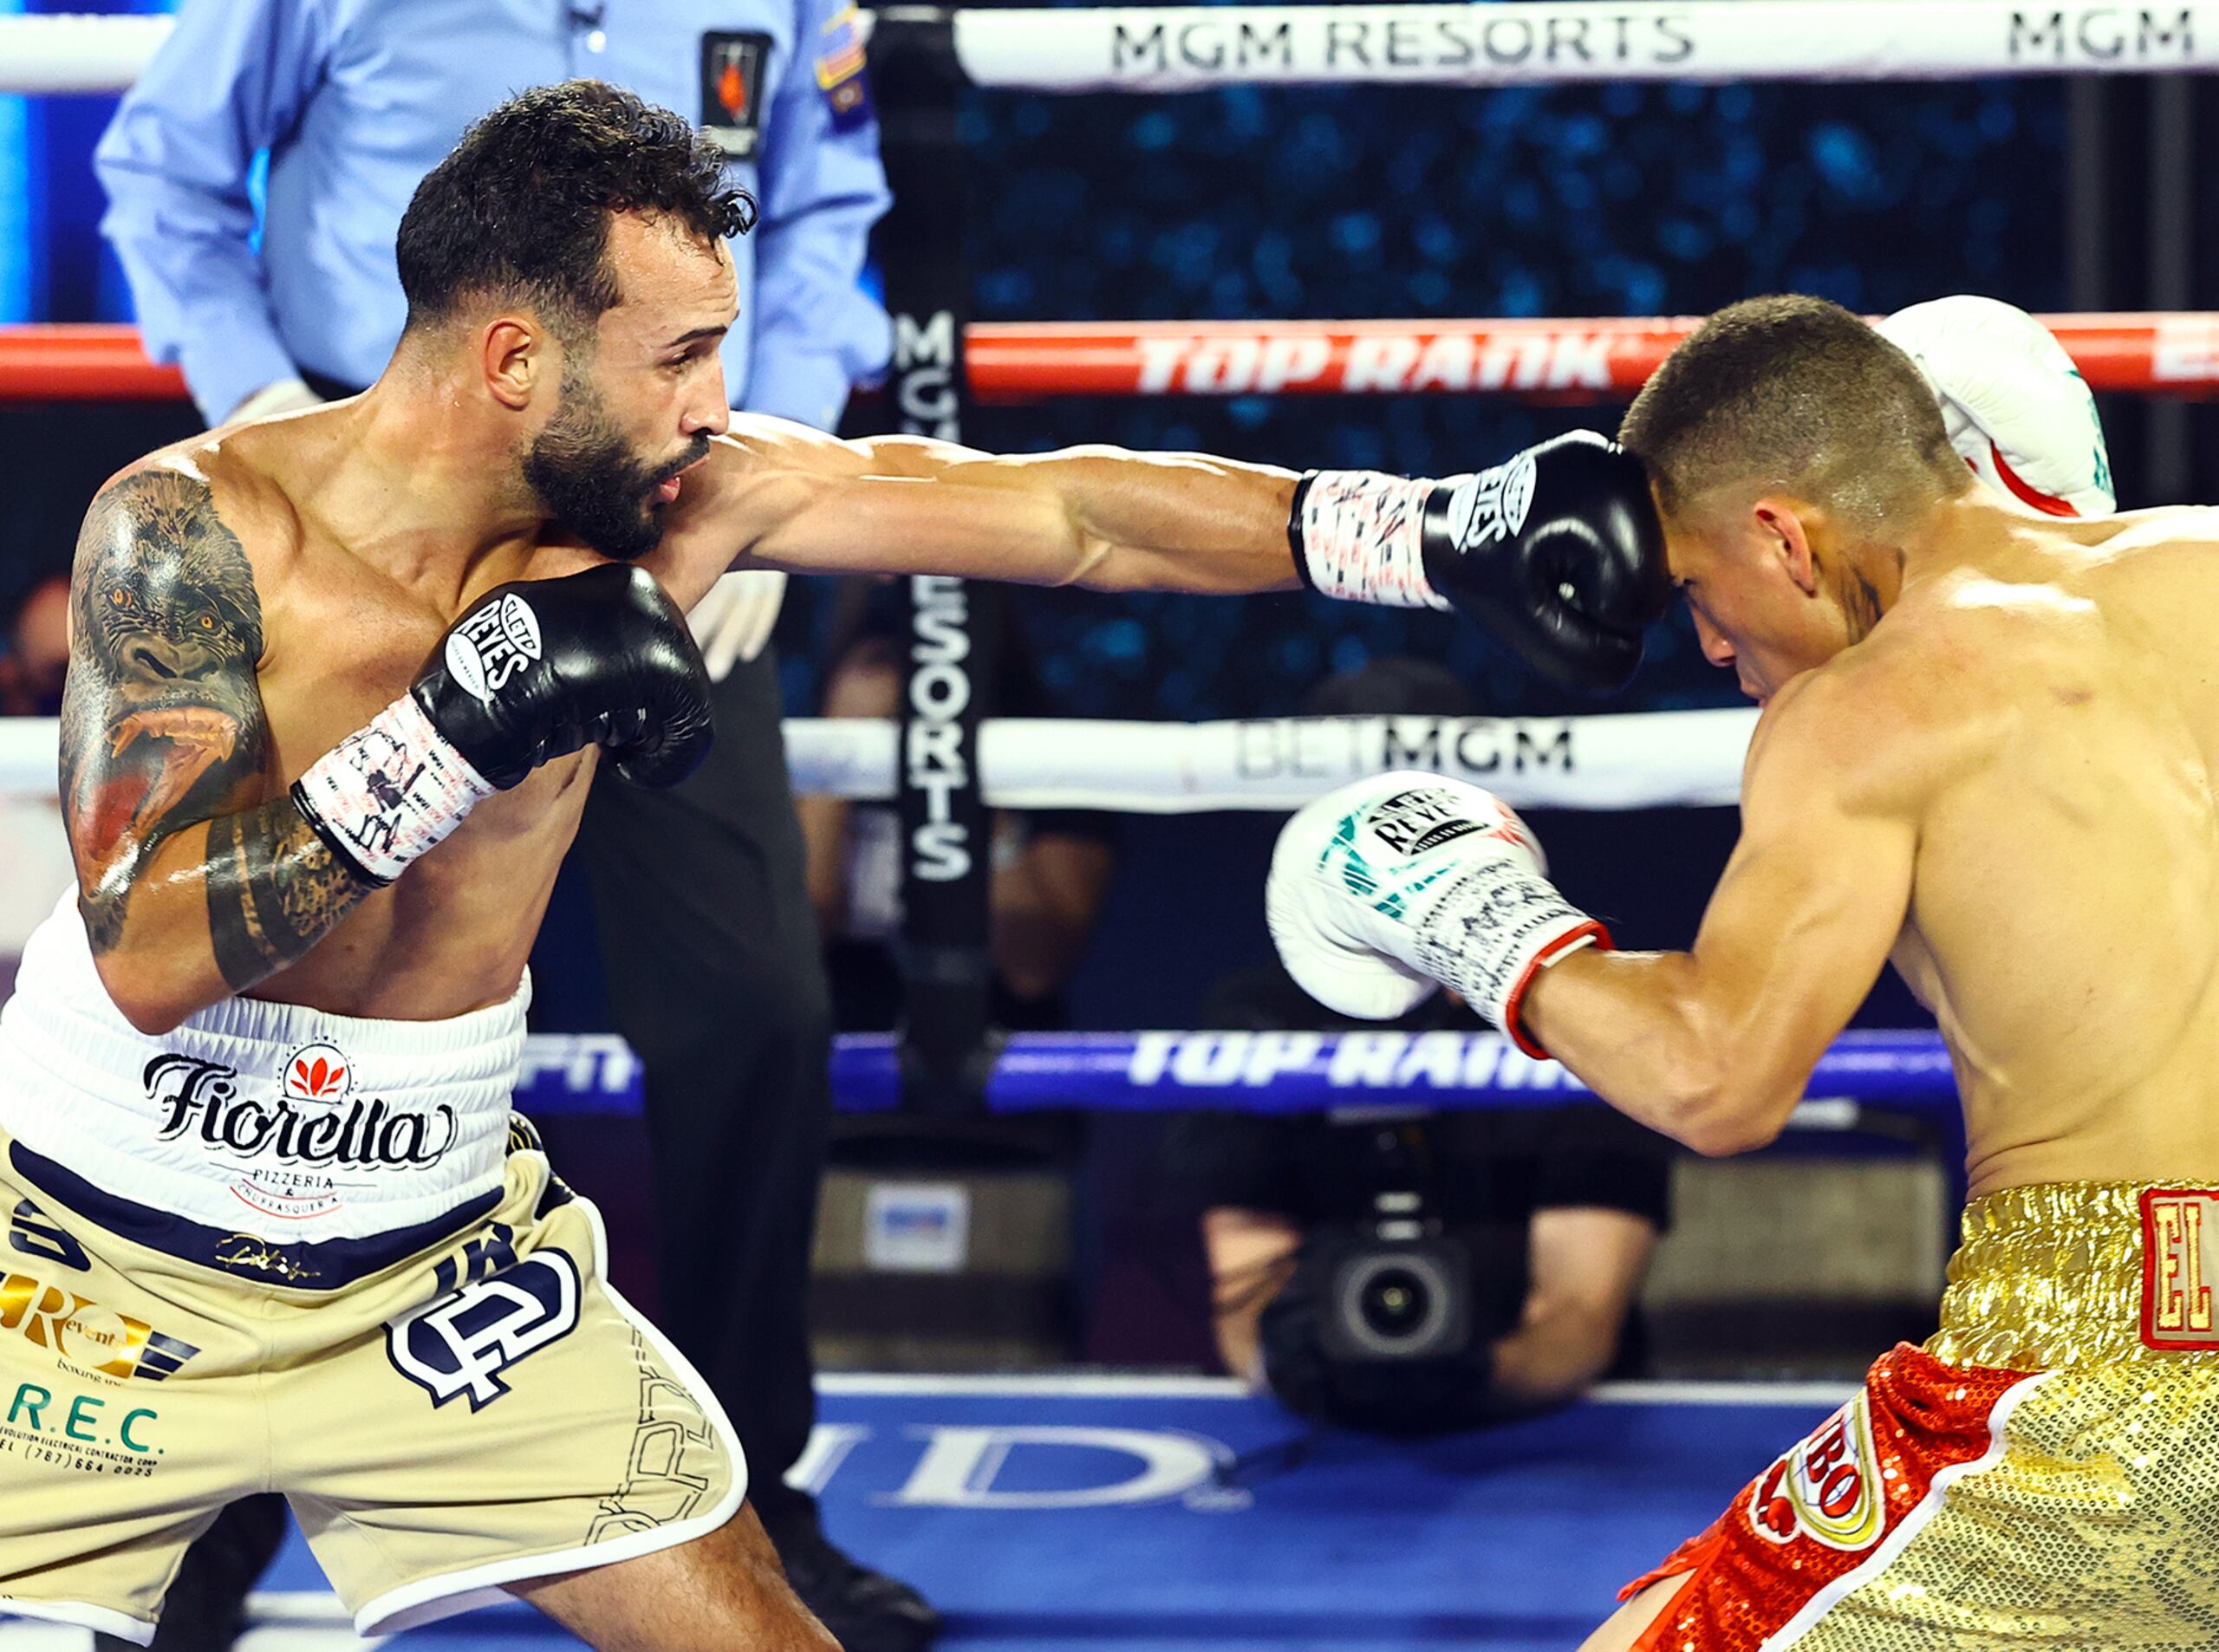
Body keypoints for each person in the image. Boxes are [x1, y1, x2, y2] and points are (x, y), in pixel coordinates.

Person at [4, 81, 1663, 1645]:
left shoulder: (681, 502)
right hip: (86, 1259)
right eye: (679, 356)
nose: (714, 403)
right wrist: (454, 730)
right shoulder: (195, 532)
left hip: (429, 1259)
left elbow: (1070, 515)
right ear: (515, 357)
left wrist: (1423, 535)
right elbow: (150, 949)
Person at [91, 1, 908, 1642]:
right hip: (359, 516)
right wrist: (263, 420)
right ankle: (208, 1509)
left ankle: (757, 1487)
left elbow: (826, 212)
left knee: (758, 1007)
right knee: (268, 997)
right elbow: (163, 170)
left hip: (648, 512)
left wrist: (747, 458)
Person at [1265, 292, 2213, 1651]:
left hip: (2107, 1365)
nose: (1711, 647)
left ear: (1784, 533)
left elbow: (1717, 1075)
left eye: (1701, 588)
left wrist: (1475, 918)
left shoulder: (1863, 709)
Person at [1174, 659, 1669, 1433]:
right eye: (1363, 820)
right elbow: (1242, 1299)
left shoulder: (1577, 1005)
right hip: (1320, 1441)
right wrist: (1296, 1366)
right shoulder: (1255, 1019)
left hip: (1549, 1432)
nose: (1386, 850)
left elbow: (1580, 1315)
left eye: (1408, 817)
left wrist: (1478, 1375)